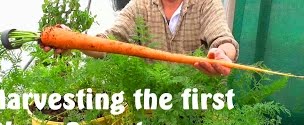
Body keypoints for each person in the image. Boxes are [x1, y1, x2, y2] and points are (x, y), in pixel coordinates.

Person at [42, 0, 239, 76]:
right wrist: (74, 40)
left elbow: (223, 40)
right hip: (150, 108)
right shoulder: (140, 6)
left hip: (198, 107)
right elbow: (107, 42)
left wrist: (223, 55)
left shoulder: (206, 4)